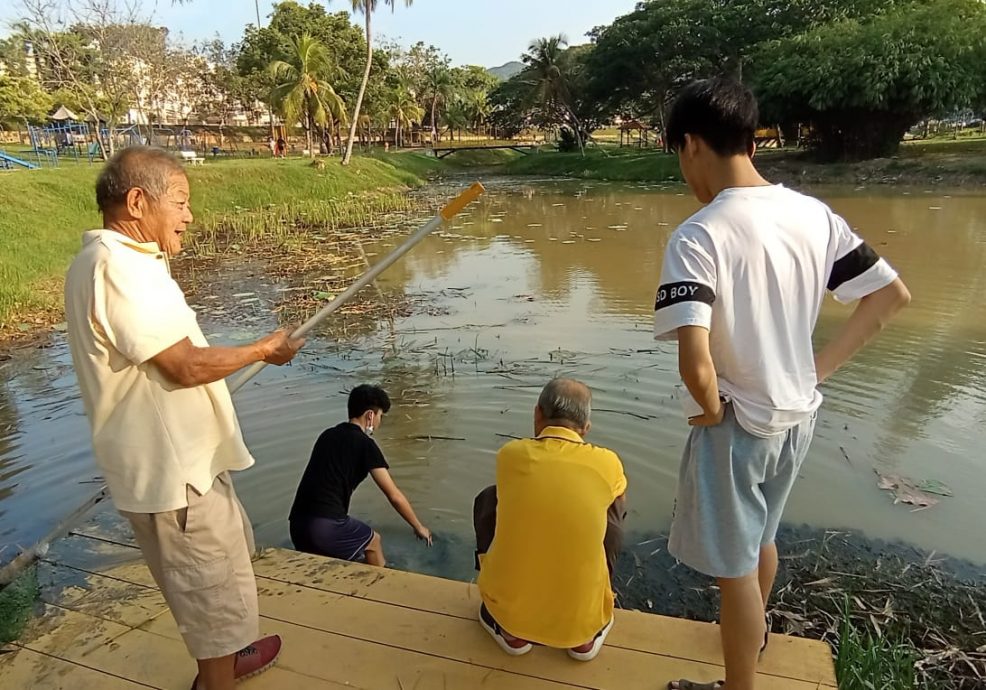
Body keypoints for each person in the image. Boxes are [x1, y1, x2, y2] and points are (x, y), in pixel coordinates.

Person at [653, 78, 911, 690]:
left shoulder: (698, 235)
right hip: (799, 414)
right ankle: (756, 642)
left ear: (691, 145)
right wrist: (813, 372)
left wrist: (711, 406)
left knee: (734, 573)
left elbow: (695, 361)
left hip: (739, 422)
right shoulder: (813, 215)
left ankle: (737, 684)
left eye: (678, 157)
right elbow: (890, 296)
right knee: (762, 539)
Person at [64, 146, 306, 690]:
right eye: (179, 202)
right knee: (209, 594)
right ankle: (216, 675)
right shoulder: (116, 267)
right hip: (176, 478)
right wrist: (260, 350)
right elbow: (182, 365)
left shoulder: (124, 261)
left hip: (188, 464)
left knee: (220, 581)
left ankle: (226, 657)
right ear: (136, 201)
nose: (188, 216)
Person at [475, 378, 627, 662]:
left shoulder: (510, 455)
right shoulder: (608, 462)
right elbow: (616, 510)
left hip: (512, 616)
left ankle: (512, 634)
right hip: (582, 621)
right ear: (586, 428)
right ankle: (584, 637)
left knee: (489, 498)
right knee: (613, 508)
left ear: (537, 414)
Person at [289, 385, 433, 567]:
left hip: (297, 524)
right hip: (325, 527)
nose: (380, 422)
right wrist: (418, 526)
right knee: (373, 542)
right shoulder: (365, 445)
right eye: (381, 415)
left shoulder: (326, 435)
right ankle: (380, 586)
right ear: (370, 415)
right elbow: (394, 495)